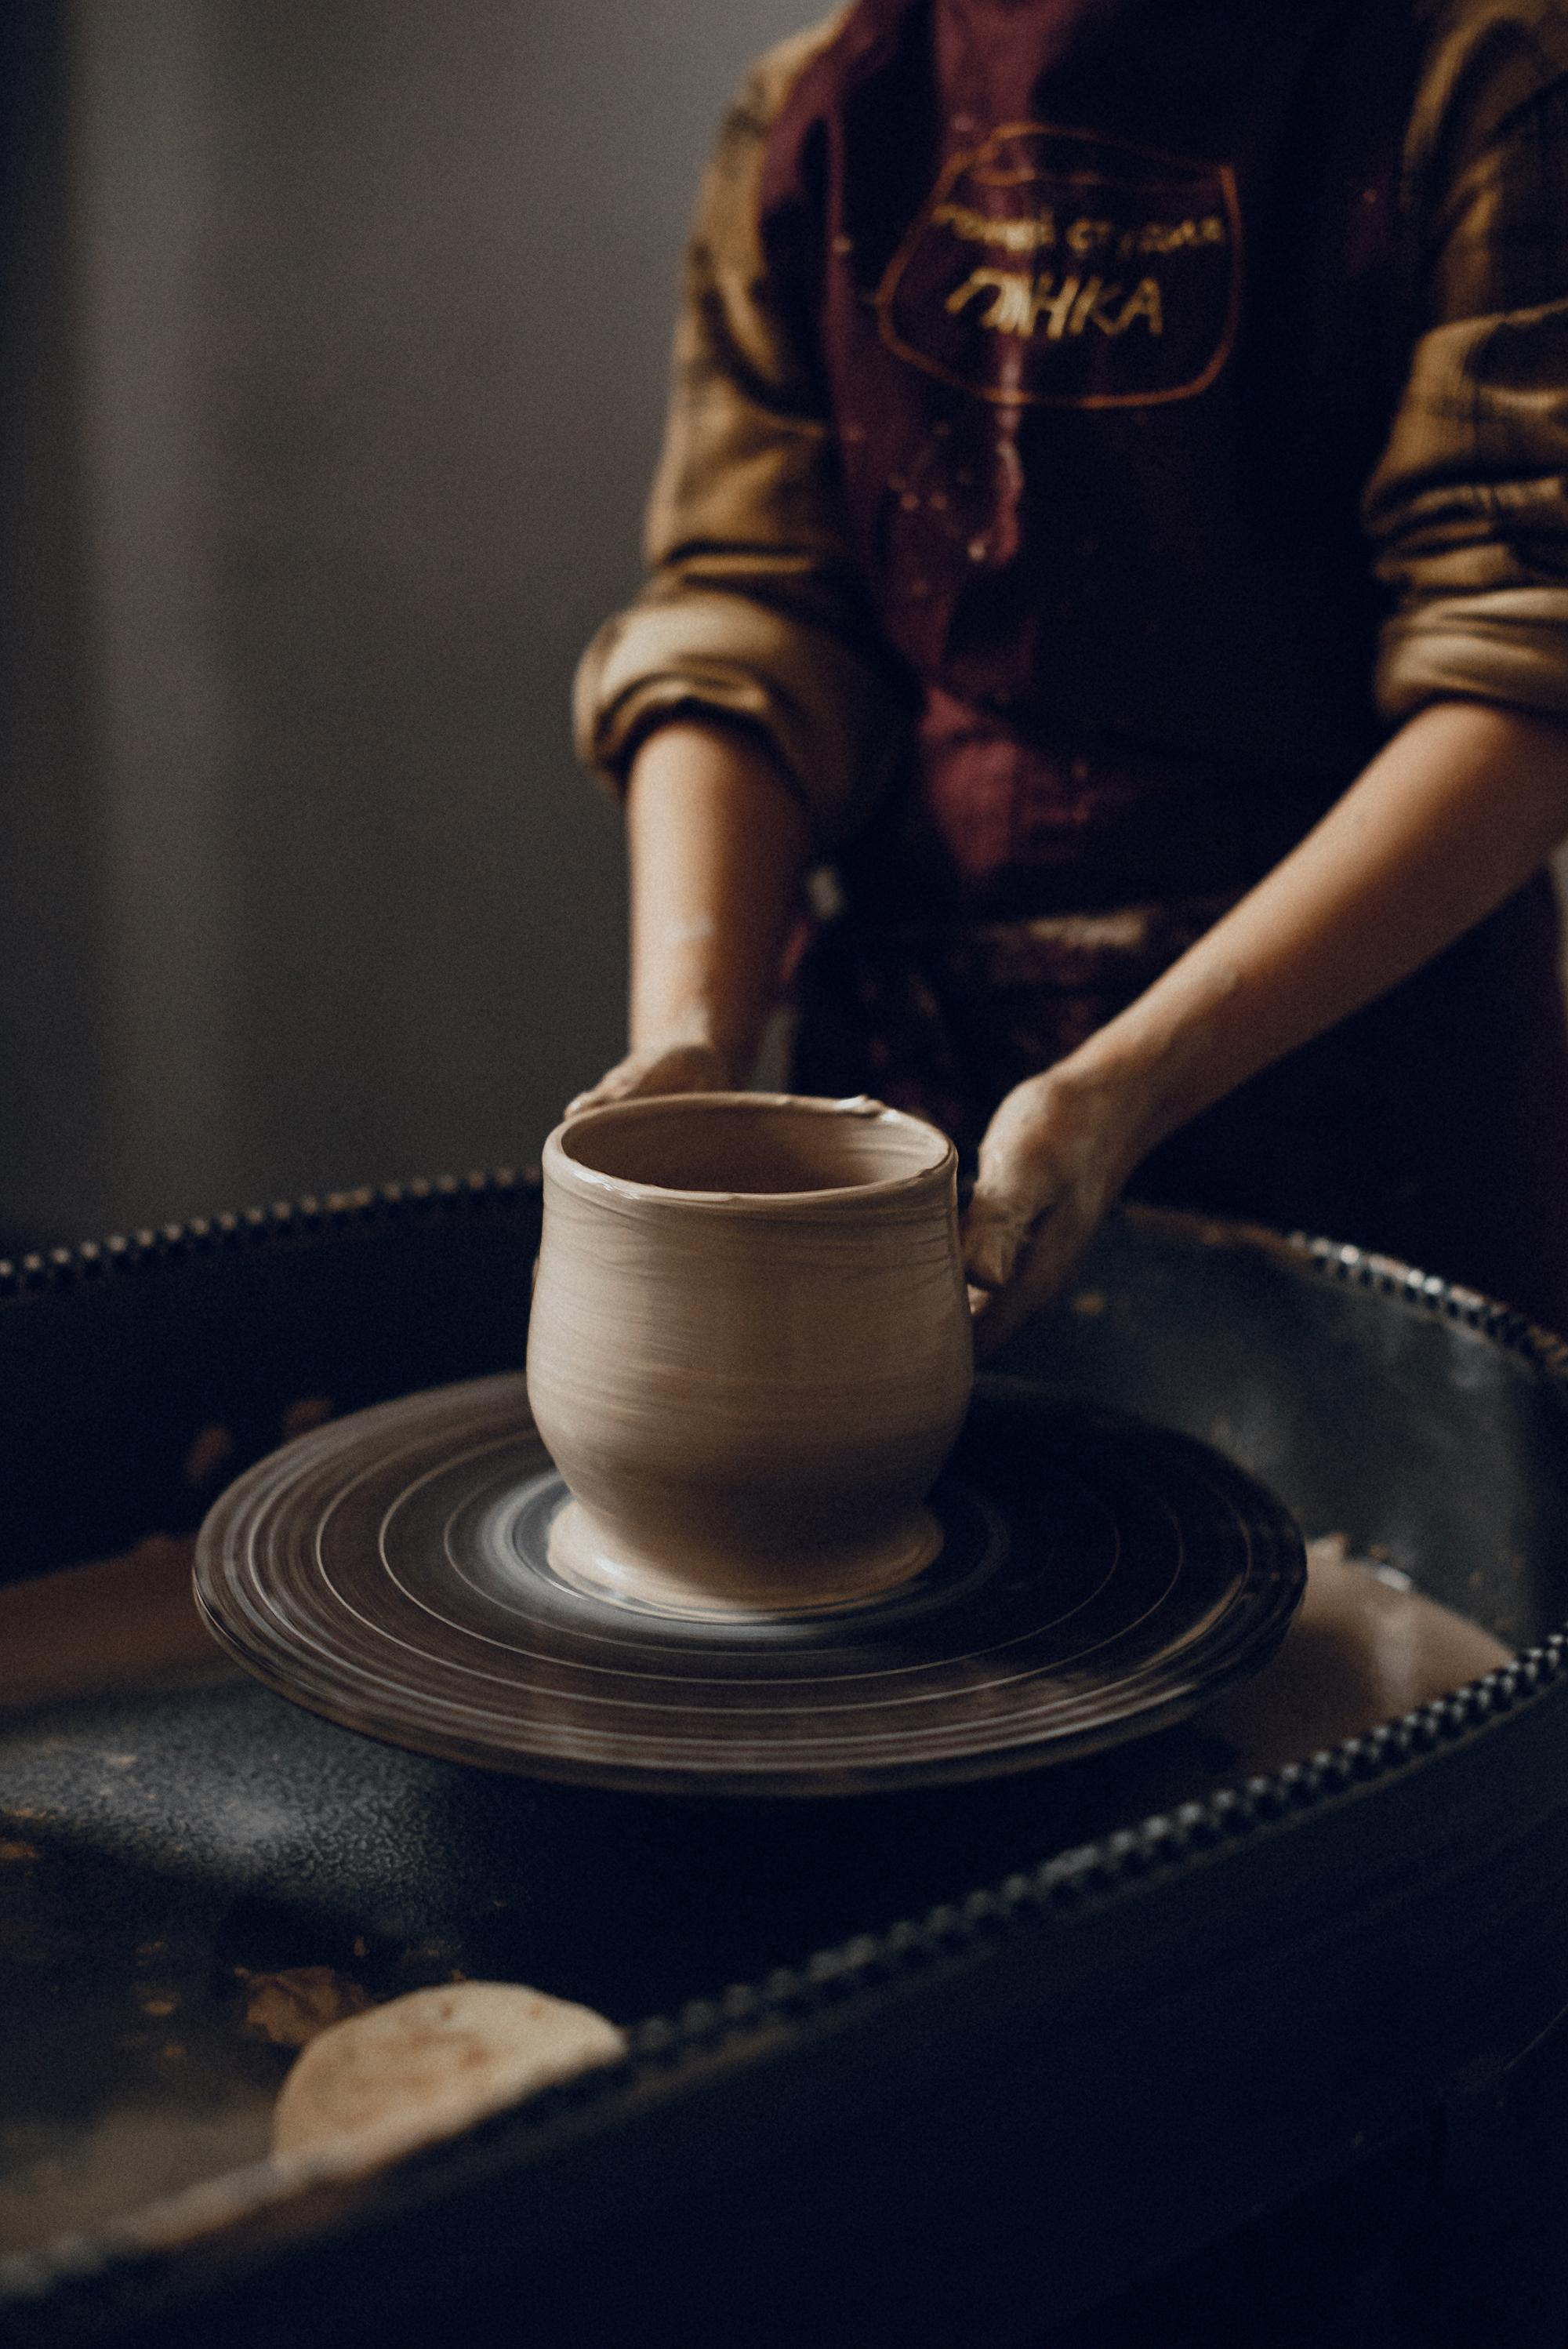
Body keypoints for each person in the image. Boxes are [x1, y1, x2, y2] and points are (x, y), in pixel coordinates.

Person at [572, 0, 1568, 1352]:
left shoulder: (1480, 80)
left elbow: (1523, 667)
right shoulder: (823, 112)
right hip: (914, 1059)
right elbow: (751, 616)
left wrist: (1129, 1084)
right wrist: (690, 1054)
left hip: (1349, 1078)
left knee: (1360, 1550)